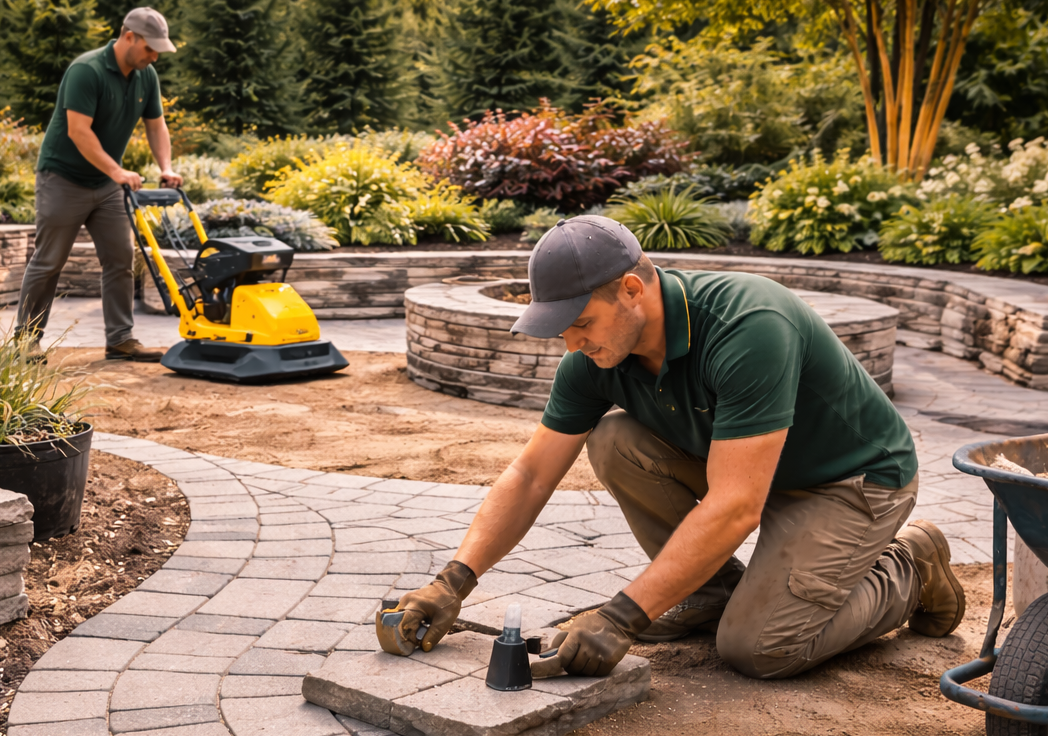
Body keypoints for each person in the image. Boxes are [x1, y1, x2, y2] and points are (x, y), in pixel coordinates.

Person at [390, 215, 966, 680]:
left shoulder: (748, 325)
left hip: (847, 481)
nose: (570, 341)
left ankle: (910, 564)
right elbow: (531, 475)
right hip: (745, 473)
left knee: (758, 649)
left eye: (580, 322)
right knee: (616, 440)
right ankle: (710, 595)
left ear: (632, 290)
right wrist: (452, 583)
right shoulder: (593, 357)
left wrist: (623, 617)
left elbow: (736, 506)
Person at [16, 6, 182, 362]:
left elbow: (156, 124)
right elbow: (79, 131)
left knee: (121, 259)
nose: (154, 56)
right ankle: (26, 340)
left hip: (106, 183)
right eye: (150, 48)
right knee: (48, 261)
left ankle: (120, 339)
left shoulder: (146, 75)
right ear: (128, 37)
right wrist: (118, 172)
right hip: (62, 179)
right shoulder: (86, 71)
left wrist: (165, 167)